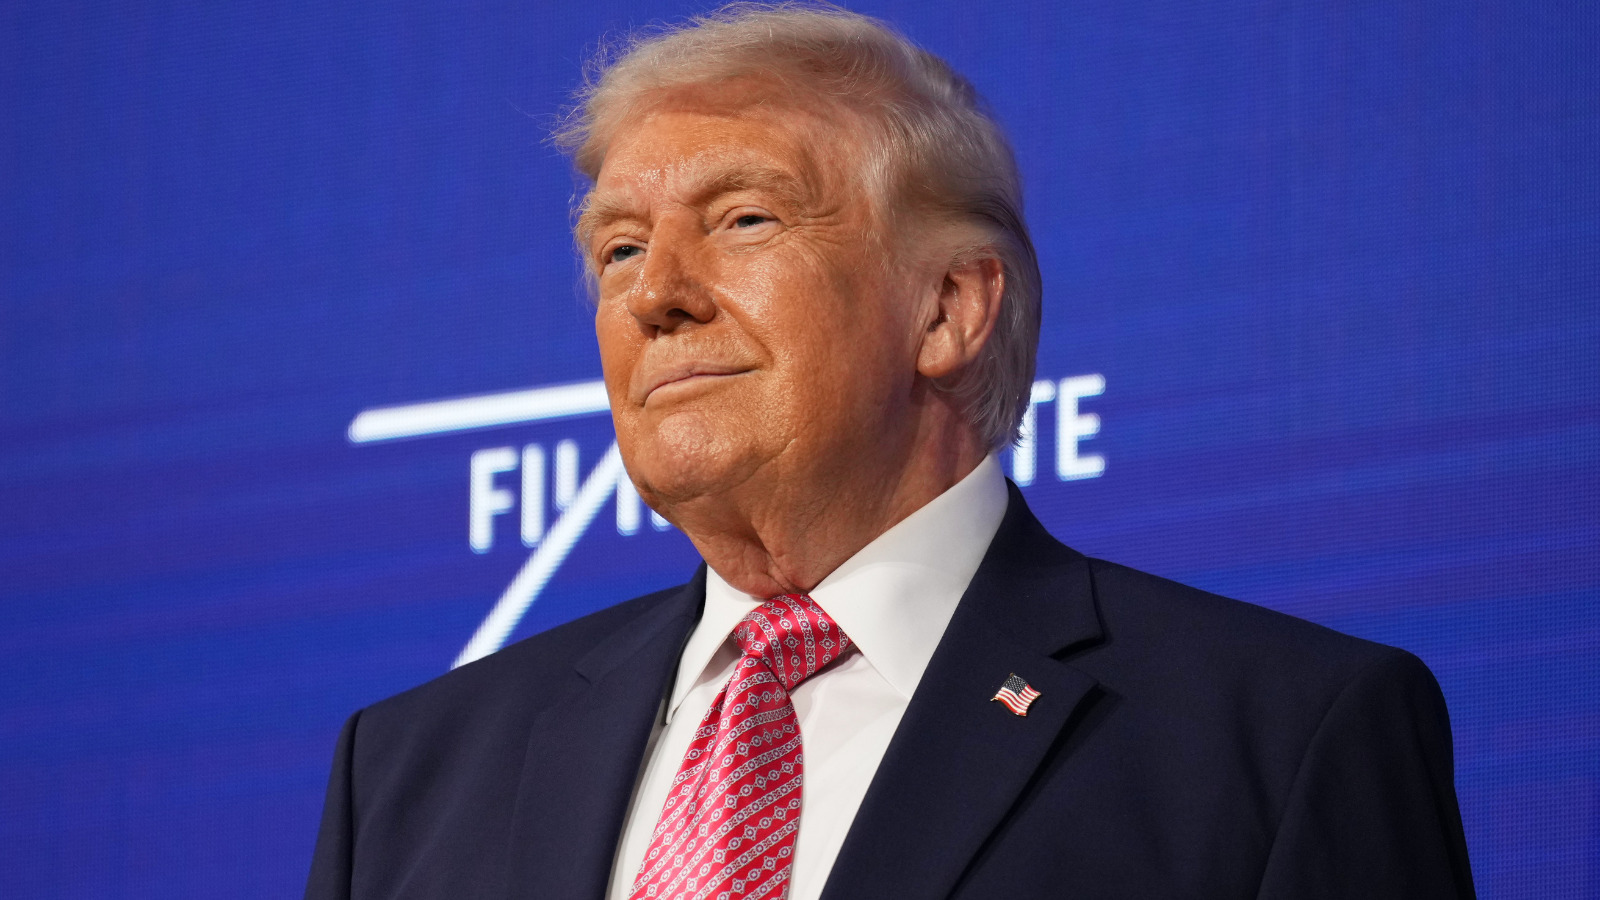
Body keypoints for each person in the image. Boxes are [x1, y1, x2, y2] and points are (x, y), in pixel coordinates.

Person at [304, 5, 1475, 898]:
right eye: (617, 250)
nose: (655, 294)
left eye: (744, 219)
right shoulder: (410, 773)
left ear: (947, 310)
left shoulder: (1273, 737)